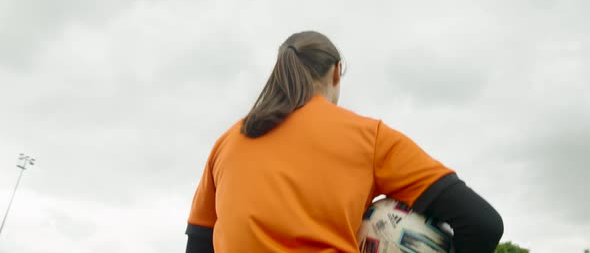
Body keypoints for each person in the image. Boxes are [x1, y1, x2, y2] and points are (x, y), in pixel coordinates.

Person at [185, 31, 503, 253]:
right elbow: (482, 224)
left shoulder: (226, 145)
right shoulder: (369, 137)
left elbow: (200, 244)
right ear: (336, 73)